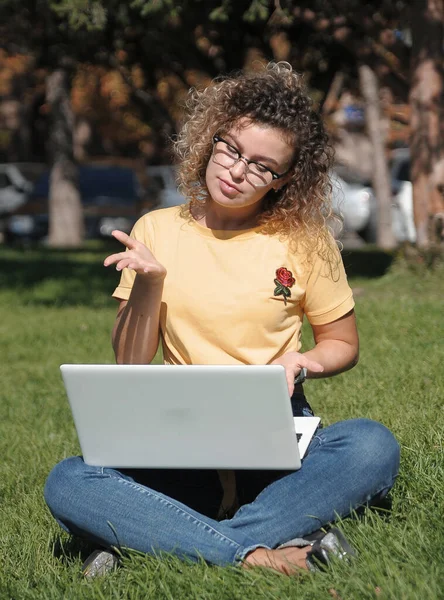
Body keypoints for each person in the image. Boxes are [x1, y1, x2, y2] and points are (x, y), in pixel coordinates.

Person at [44, 62, 400, 577]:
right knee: (69, 480)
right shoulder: (156, 228)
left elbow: (342, 343)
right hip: (179, 433)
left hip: (278, 435)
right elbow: (130, 361)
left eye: (262, 166)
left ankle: (160, 537)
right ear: (211, 140)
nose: (237, 171)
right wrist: (149, 285)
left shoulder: (305, 241)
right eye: (232, 149)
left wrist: (302, 361)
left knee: (371, 445)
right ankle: (264, 554)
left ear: (284, 181)